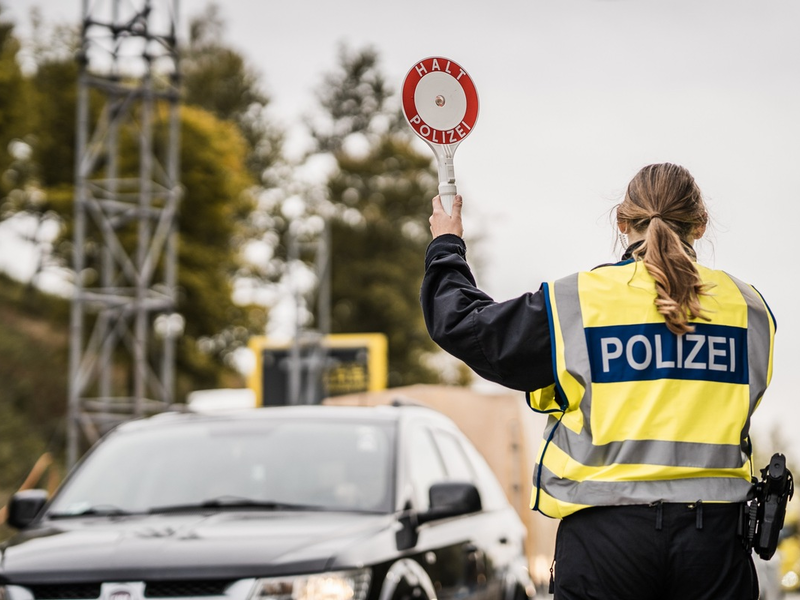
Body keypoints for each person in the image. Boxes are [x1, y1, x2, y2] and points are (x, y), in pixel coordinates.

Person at [420, 163, 775, 600]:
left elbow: (463, 324)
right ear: (699, 226)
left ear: (623, 221)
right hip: (715, 547)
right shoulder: (750, 309)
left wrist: (446, 243)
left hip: (606, 545)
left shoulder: (579, 303)